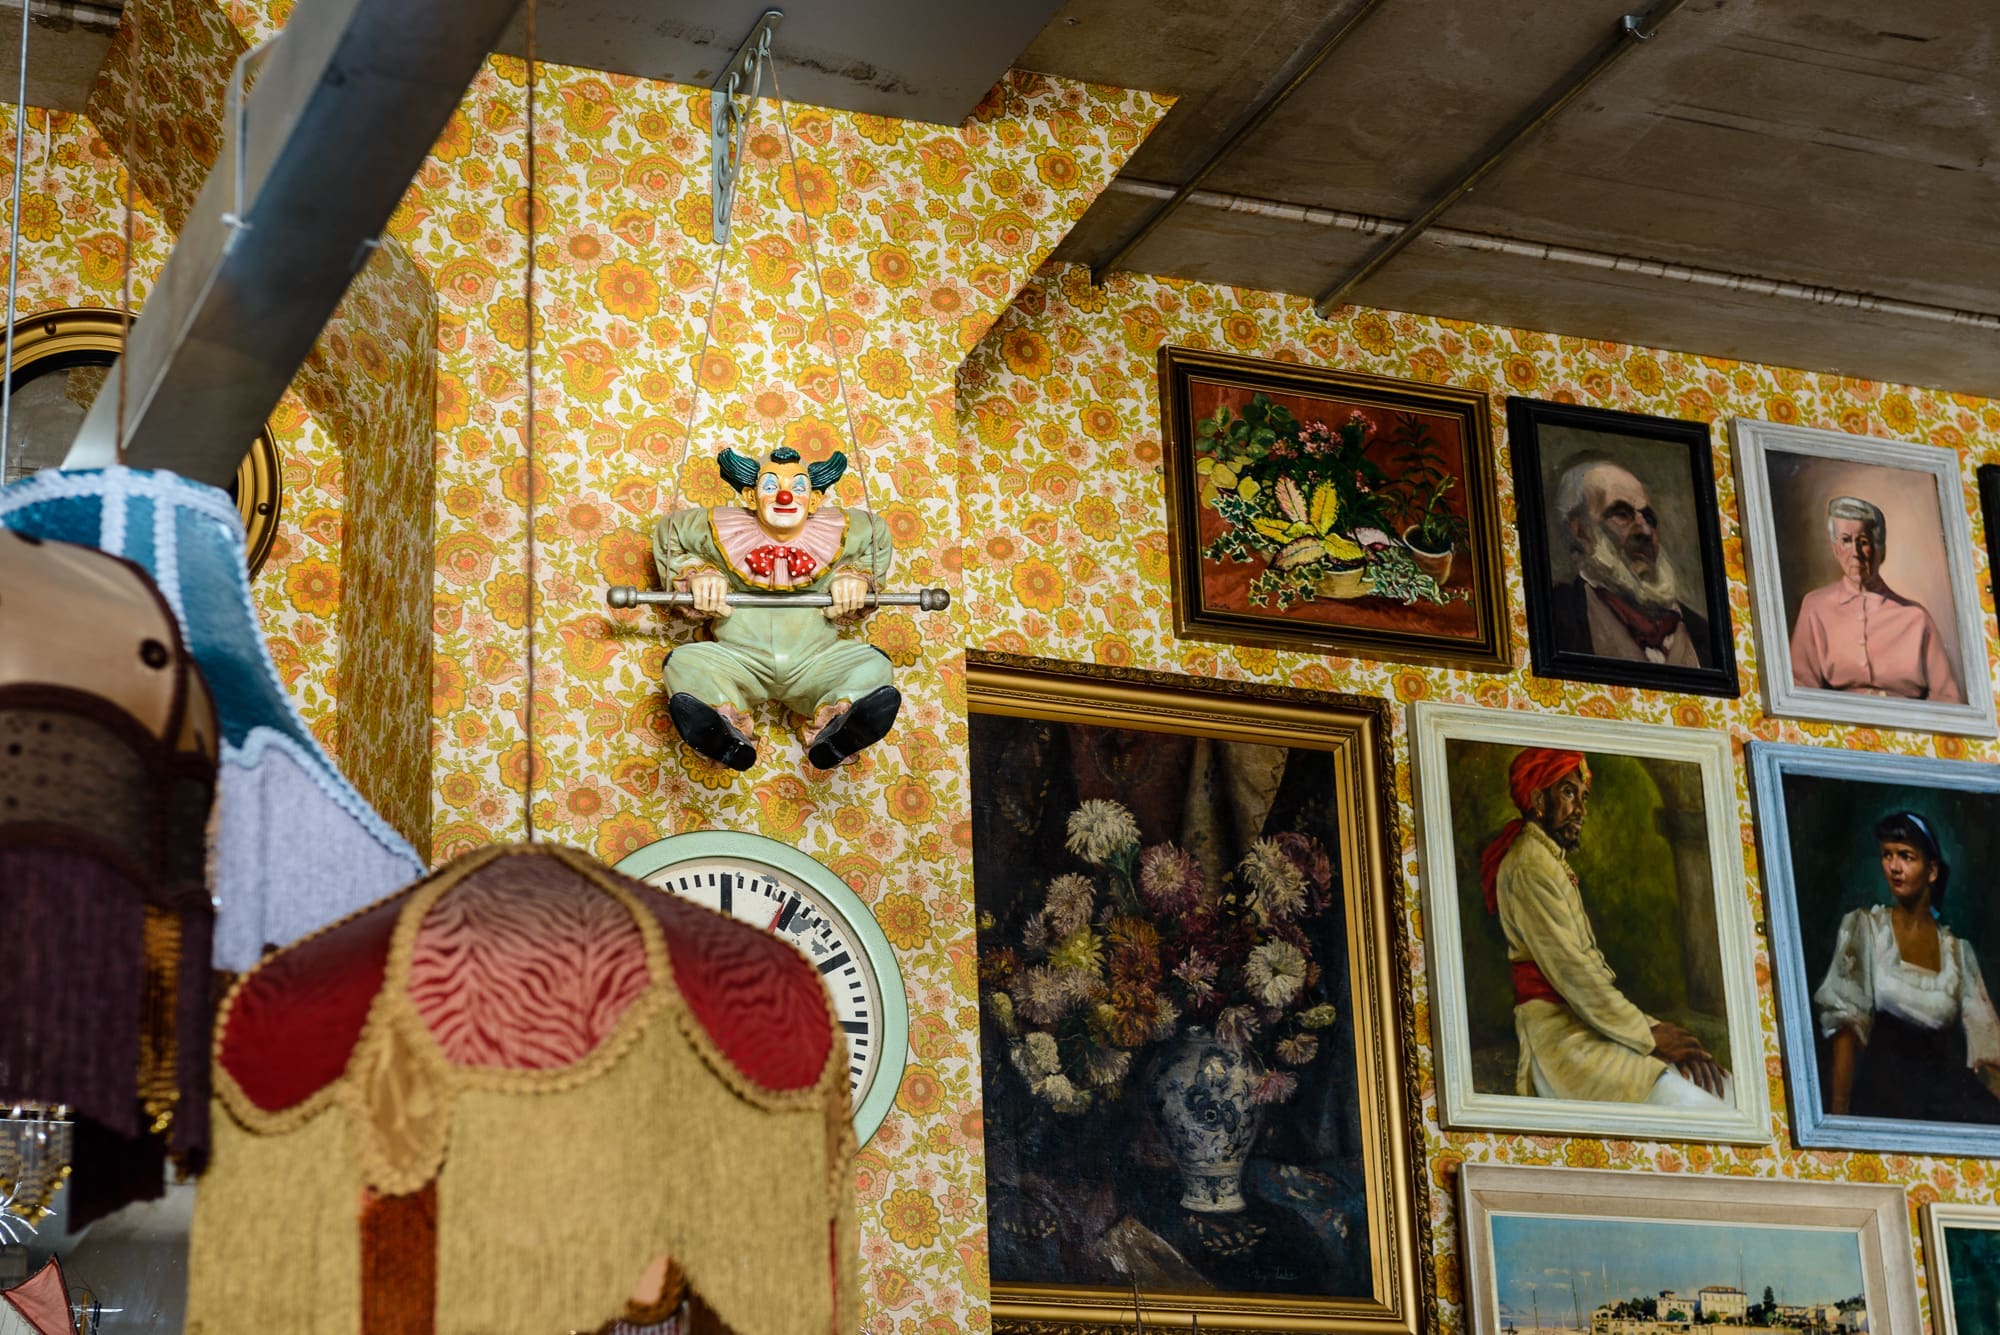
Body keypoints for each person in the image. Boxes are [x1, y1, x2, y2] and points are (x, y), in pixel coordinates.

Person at [1481, 747, 1730, 1106]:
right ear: (1537, 800)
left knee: (1720, 1088)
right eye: (1569, 793)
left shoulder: (1546, 860)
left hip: (1595, 1024)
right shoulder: (1528, 866)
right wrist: (1650, 1035)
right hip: (1563, 1042)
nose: (1581, 810)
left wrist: (1651, 1030)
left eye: (1583, 798)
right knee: (1696, 1104)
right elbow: (1576, 975)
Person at [651, 444, 900, 771]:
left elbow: (877, 537)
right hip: (739, 660)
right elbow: (668, 533)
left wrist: (856, 578)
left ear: (814, 500)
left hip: (816, 661)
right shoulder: (715, 530)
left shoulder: (848, 531)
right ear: (751, 496)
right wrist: (698, 574)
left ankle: (838, 730)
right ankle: (724, 733)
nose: (785, 496)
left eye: (798, 487)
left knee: (874, 664)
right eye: (771, 486)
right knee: (683, 663)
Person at [1814, 811, 2000, 1122]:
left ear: (1932, 871)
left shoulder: (1958, 953)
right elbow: (1846, 1029)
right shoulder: (1867, 930)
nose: (1894, 867)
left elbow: (1987, 1048)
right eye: (1887, 855)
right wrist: (1839, 1121)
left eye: (1906, 856)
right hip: (1879, 1104)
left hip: (1941, 1110)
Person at [1789, 495, 1963, 701]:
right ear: (1835, 549)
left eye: (1863, 542)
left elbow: (1948, 697)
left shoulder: (1916, 618)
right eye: (1846, 540)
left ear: (1881, 550)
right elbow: (1800, 688)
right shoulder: (1815, 607)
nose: (1855, 552)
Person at [1547, 458, 1710, 667]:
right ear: (1581, 532)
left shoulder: (1701, 632)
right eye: (1622, 515)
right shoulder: (1556, 615)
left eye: (1648, 519)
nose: (1645, 531)